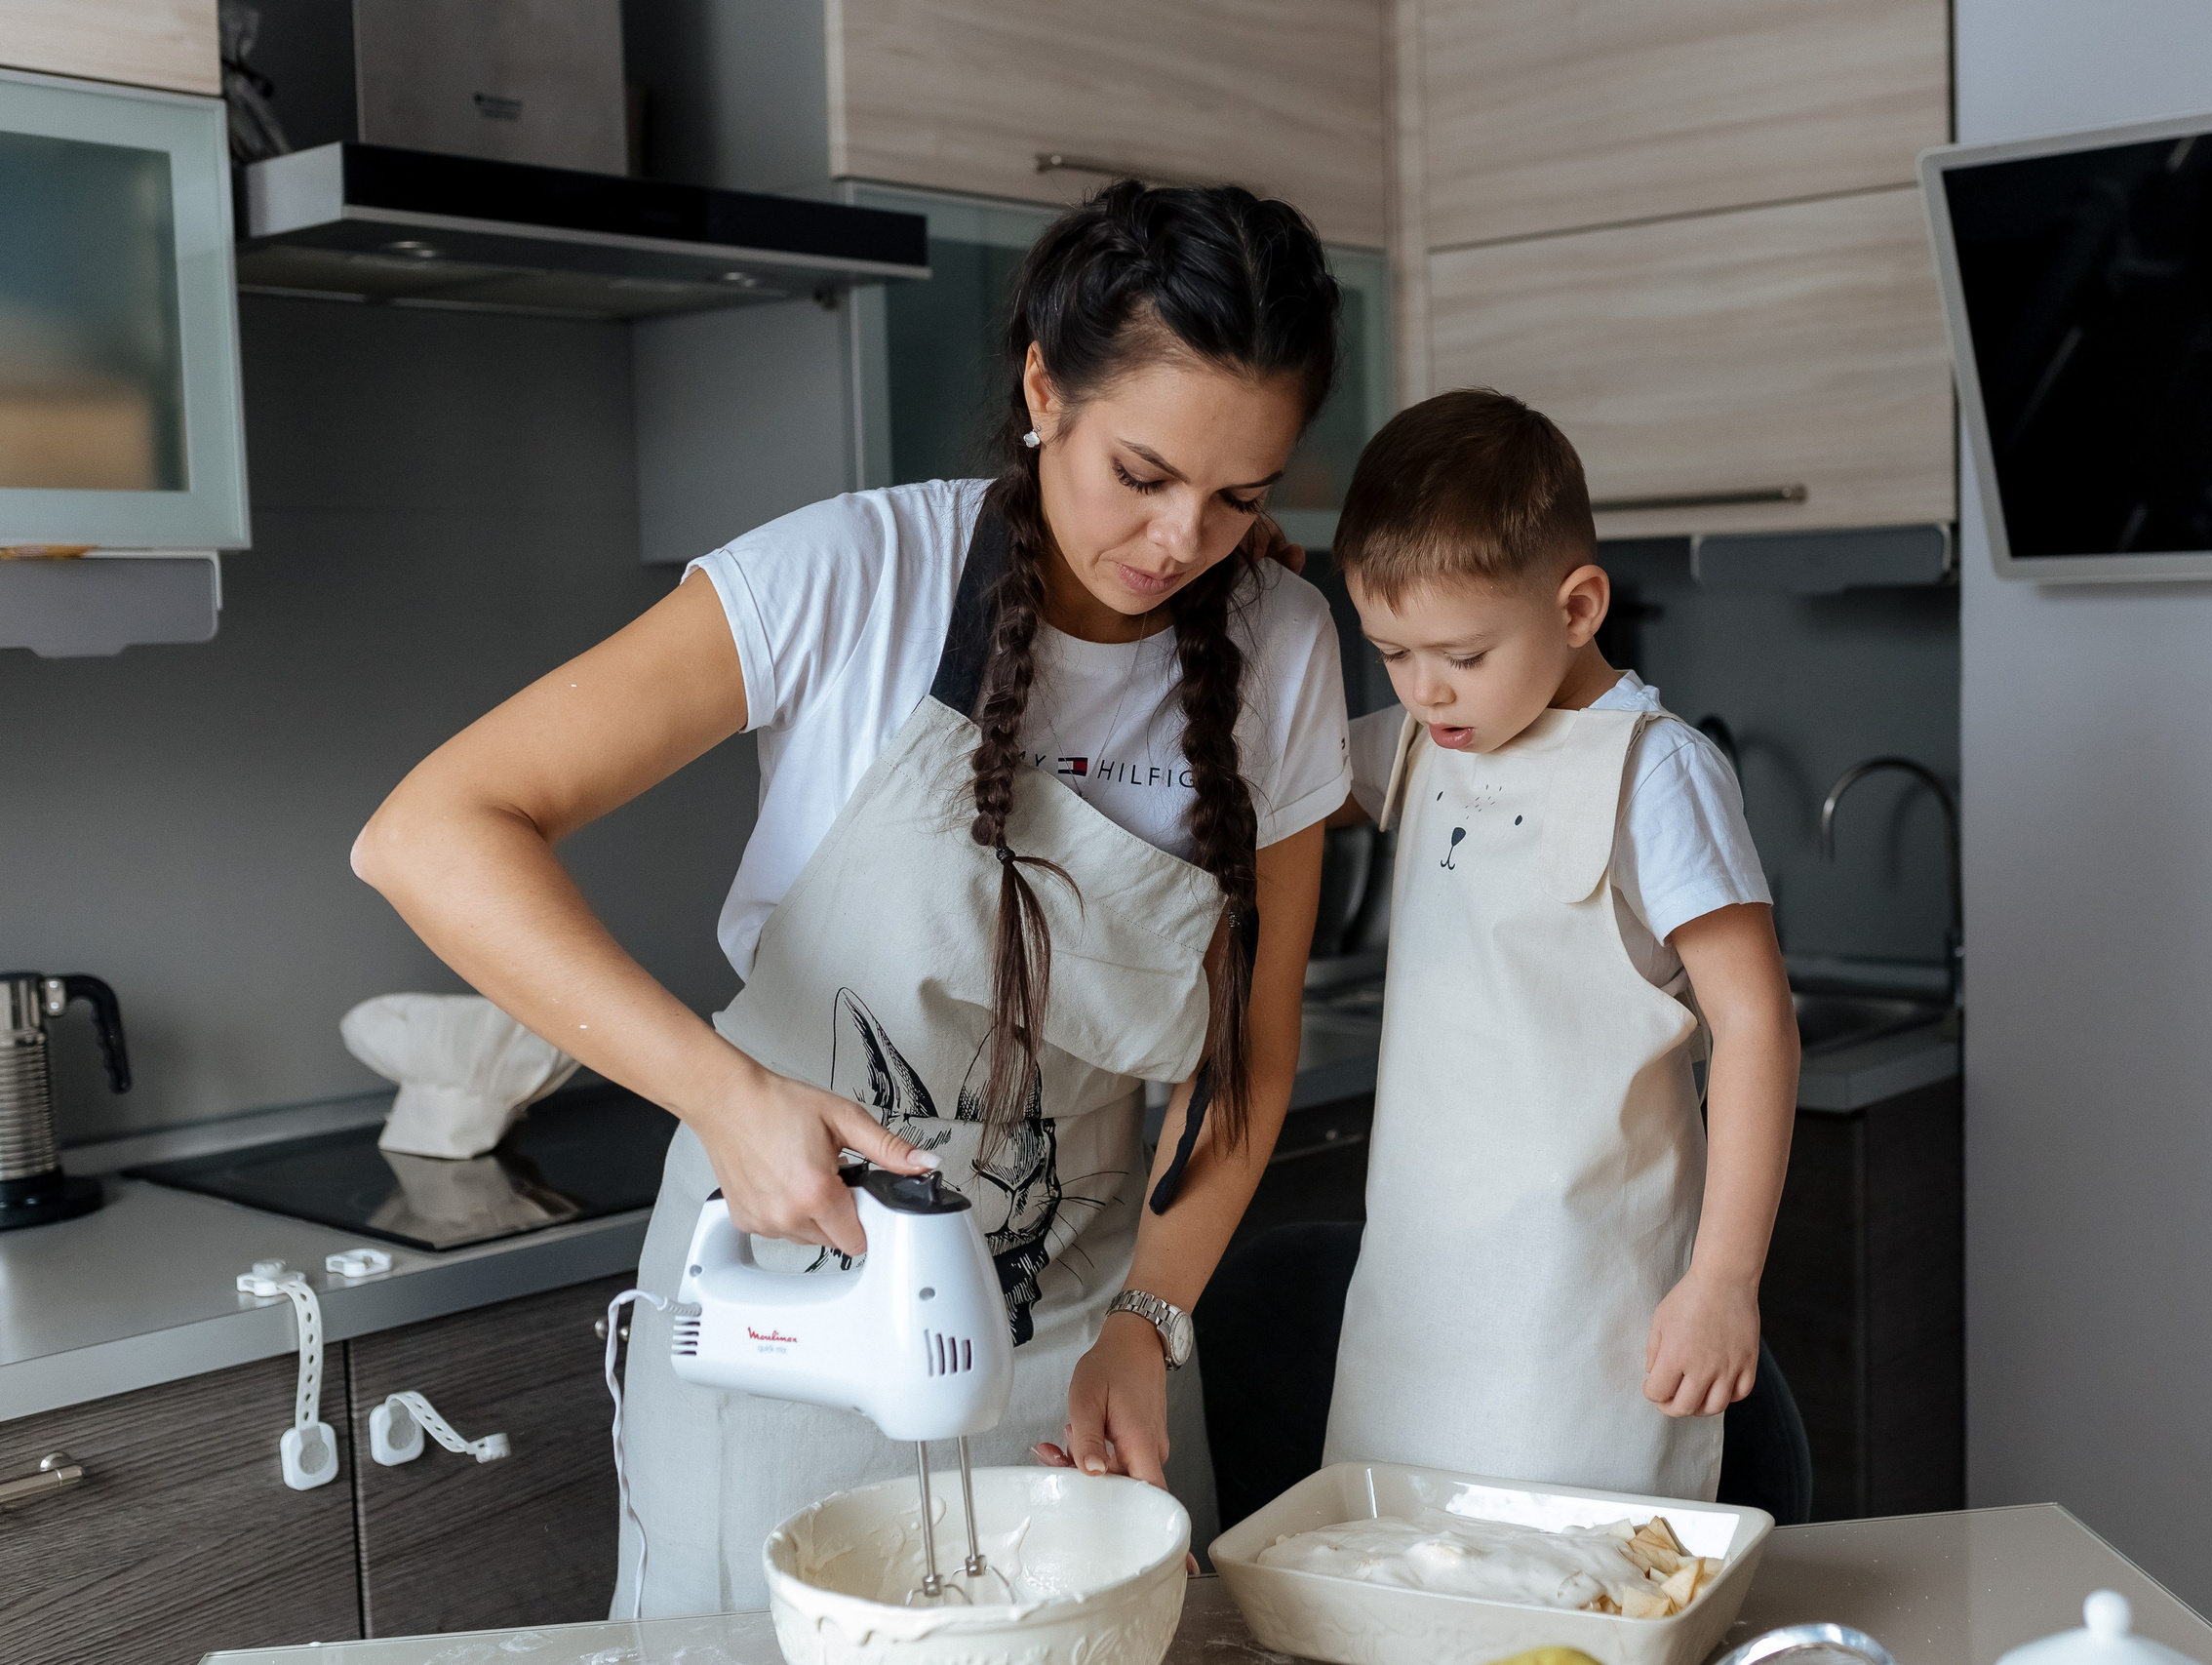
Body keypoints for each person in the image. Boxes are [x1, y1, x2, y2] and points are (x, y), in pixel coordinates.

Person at [351, 182, 1353, 1616]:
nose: (1181, 537)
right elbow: (429, 833)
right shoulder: (853, 574)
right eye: (1141, 473)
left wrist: (1151, 1319)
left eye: (1241, 495)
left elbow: (1245, 1058)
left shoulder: (1285, 647)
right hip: (789, 1319)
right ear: (1043, 390)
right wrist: (721, 1093)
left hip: (1088, 1342)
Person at [1202, 388, 1801, 1516]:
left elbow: (1756, 1024)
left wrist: (1723, 1280)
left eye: (1463, 654)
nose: (1425, 689)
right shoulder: (1422, 743)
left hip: (1587, 1310)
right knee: (1402, 1566)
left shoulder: (1655, 773)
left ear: (1576, 607)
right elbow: (1262, 764)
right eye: (1391, 653)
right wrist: (1248, 595)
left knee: (1570, 1577)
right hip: (1420, 1297)